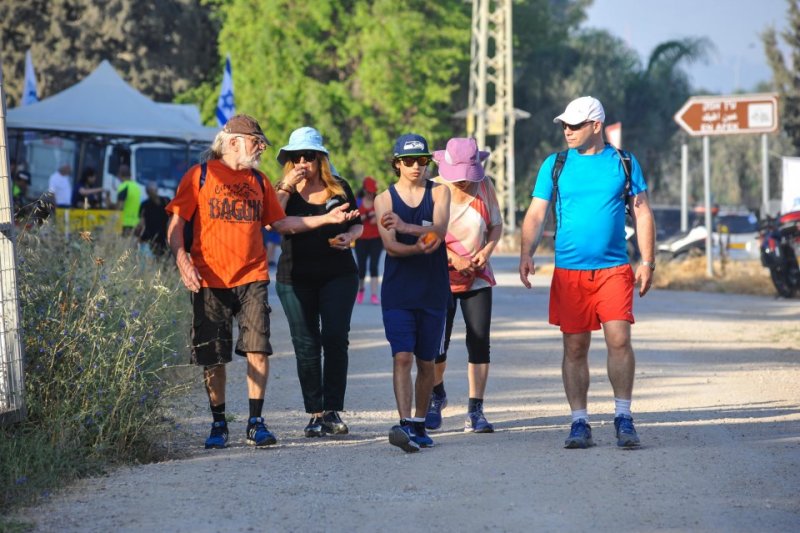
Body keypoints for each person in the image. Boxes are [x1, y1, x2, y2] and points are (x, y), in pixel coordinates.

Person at [166, 115, 357, 449]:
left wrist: (327, 219)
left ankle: (255, 422)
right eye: (256, 142)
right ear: (233, 141)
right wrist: (182, 259)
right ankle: (219, 423)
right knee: (214, 355)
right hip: (209, 278)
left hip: (252, 275)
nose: (261, 149)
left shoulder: (259, 180)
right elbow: (176, 222)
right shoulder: (200, 176)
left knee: (257, 348)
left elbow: (281, 224)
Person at [518, 96, 656, 449]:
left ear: (596, 126)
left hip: (614, 269)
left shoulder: (624, 162)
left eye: (575, 125)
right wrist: (526, 252)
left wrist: (647, 261)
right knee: (575, 346)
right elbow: (536, 213)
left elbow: (642, 212)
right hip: (569, 272)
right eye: (565, 125)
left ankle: (623, 417)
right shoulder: (555, 164)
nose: (568, 130)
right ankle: (579, 422)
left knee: (619, 340)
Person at [272, 126, 363, 438]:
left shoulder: (339, 187)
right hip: (295, 277)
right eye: (296, 156)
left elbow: (358, 225)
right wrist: (287, 186)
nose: (302, 162)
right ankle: (315, 413)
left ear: (320, 158)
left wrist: (349, 237)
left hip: (339, 274)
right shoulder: (282, 190)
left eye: (309, 156)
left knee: (335, 337)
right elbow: (276, 222)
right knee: (306, 343)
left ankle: (332, 410)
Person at [374, 133, 451, 453]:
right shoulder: (384, 200)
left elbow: (440, 231)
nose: (416, 166)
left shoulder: (441, 191)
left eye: (422, 160)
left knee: (427, 361)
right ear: (397, 164)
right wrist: (420, 244)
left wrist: (407, 228)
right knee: (403, 356)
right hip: (399, 291)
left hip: (433, 290)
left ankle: (420, 422)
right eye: (408, 161)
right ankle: (405, 423)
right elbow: (391, 247)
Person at [425, 137, 503, 434]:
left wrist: (487, 251)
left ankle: (476, 409)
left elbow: (496, 225)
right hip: (439, 277)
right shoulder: (433, 189)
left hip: (478, 277)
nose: (463, 181)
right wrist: (452, 258)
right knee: (437, 344)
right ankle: (436, 395)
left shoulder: (484, 186)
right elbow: (425, 234)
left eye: (468, 175)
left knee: (479, 341)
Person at [354, 176, 384, 305]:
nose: (371, 194)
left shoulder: (378, 202)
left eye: (373, 191)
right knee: (361, 267)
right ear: (365, 190)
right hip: (360, 239)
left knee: (373, 266)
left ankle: (374, 295)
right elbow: (354, 219)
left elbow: (383, 218)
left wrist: (377, 218)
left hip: (376, 239)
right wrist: (367, 215)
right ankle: (360, 290)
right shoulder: (358, 202)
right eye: (369, 191)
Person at [137, 182, 170, 257]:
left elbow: (172, 218)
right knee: (159, 258)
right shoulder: (145, 205)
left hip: (160, 236)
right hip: (154, 237)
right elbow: (142, 222)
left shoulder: (166, 201)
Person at [116, 164, 141, 237]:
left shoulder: (123, 186)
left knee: (123, 243)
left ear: (120, 175)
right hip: (135, 222)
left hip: (125, 222)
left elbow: (120, 206)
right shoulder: (136, 187)